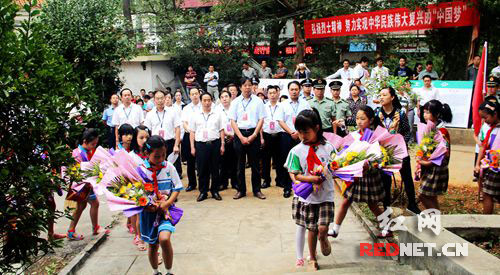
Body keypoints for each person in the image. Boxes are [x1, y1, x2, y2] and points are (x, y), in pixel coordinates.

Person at [284, 109, 335, 271]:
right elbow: (296, 174)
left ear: (317, 128)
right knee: (311, 228)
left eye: (306, 132)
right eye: (299, 132)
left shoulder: (328, 147)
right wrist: (312, 180)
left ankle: (324, 238)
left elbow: (337, 166)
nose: (303, 136)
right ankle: (312, 258)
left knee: (322, 228)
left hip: (326, 195)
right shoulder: (296, 151)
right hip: (308, 198)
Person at [329, 106, 387, 238]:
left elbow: (379, 158)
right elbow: (345, 152)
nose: (359, 121)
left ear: (371, 120)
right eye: (357, 118)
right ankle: (335, 229)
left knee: (372, 204)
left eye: (363, 118)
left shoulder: (375, 136)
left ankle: (387, 226)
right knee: (346, 201)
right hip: (355, 175)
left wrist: (369, 166)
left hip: (368, 176)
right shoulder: (354, 135)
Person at [138, 136, 182, 275]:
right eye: (157, 156)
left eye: (163, 155)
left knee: (164, 239)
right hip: (148, 214)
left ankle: (169, 271)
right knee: (152, 244)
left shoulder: (168, 167)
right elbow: (136, 195)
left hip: (165, 212)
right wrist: (147, 205)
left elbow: (177, 187)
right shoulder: (141, 170)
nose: (161, 158)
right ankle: (156, 272)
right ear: (146, 154)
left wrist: (168, 203)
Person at [376, 87, 420, 214]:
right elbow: (373, 132)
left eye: (384, 95)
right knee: (386, 179)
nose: (381, 97)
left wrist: (401, 143)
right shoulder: (377, 113)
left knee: (406, 177)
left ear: (392, 97)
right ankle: (386, 207)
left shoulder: (400, 113)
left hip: (400, 151)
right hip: (384, 152)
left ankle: (412, 204)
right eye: (380, 95)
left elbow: (407, 132)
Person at [229, 77, 267, 200]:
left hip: (253, 133)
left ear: (252, 87)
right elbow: (232, 121)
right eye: (244, 85)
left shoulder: (258, 101)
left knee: (255, 165)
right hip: (239, 134)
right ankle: (241, 190)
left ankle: (257, 190)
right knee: (239, 165)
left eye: (249, 85)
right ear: (240, 87)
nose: (247, 87)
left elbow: (261, 119)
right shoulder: (235, 102)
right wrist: (240, 137)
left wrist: (254, 135)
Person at [67, 129, 108, 240]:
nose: (94, 146)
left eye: (95, 144)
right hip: (82, 185)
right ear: (85, 141)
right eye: (92, 144)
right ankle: (94, 228)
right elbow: (76, 171)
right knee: (93, 204)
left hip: (86, 184)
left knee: (82, 206)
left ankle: (72, 230)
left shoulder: (83, 151)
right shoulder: (78, 153)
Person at [417, 100, 452, 210]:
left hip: (436, 167)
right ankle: (436, 221)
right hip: (430, 166)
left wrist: (428, 163)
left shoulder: (441, 131)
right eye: (424, 112)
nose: (425, 115)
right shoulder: (429, 128)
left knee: (423, 195)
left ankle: (436, 218)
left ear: (436, 114)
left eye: (428, 112)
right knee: (431, 196)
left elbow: (445, 153)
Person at [277, 81, 311, 195]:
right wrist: (291, 132)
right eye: (292, 89)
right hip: (287, 135)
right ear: (288, 90)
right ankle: (287, 187)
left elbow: (309, 118)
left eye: (296, 89)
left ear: (300, 90)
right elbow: (280, 121)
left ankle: (303, 185)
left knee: (303, 160)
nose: (294, 91)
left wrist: (299, 132)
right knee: (288, 161)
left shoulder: (305, 103)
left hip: (303, 136)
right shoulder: (283, 104)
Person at [189, 92, 225, 202]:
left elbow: (221, 130)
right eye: (204, 100)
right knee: (202, 169)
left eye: (209, 100)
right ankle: (203, 191)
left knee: (215, 168)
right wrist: (192, 147)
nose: (207, 102)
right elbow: (192, 132)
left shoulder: (217, 114)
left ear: (212, 101)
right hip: (201, 145)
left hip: (214, 143)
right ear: (201, 101)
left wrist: (222, 144)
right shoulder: (195, 115)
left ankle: (215, 190)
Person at [144, 91, 182, 175]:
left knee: (172, 168)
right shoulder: (150, 114)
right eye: (157, 98)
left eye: (162, 98)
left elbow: (177, 129)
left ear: (165, 99)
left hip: (170, 142)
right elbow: (147, 131)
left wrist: (176, 145)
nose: (160, 100)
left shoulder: (172, 112)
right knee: (157, 167)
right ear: (154, 100)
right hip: (155, 144)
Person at [261, 86, 288, 197]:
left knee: (279, 159)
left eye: (274, 93)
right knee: (266, 159)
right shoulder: (263, 106)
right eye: (270, 93)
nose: (272, 95)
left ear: (278, 94)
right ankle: (266, 180)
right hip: (267, 135)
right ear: (267, 94)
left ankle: (279, 179)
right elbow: (260, 122)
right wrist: (261, 137)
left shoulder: (282, 106)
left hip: (279, 135)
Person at [476, 101, 500, 214]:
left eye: (486, 117)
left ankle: (487, 224)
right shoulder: (491, 129)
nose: (484, 121)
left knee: (488, 194)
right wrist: (478, 163)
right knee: (487, 193)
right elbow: (484, 146)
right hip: (492, 166)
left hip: (496, 167)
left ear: (495, 114)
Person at [129, 125, 151, 251]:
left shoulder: (150, 153)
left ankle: (149, 235)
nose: (144, 140)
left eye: (146, 137)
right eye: (141, 137)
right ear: (135, 139)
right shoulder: (132, 156)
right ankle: (139, 237)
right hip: (137, 188)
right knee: (138, 215)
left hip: (150, 189)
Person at [181, 88, 201, 192]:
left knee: (203, 161)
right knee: (190, 162)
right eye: (192, 94)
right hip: (189, 136)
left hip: (202, 136)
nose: (194, 96)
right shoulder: (186, 108)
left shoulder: (204, 105)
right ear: (189, 96)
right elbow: (184, 123)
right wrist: (191, 130)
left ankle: (203, 183)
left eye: (196, 93)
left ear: (199, 94)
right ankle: (192, 183)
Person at [217, 90, 238, 190]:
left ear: (230, 98)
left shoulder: (235, 108)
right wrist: (227, 134)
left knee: (235, 162)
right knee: (222, 162)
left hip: (235, 138)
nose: (224, 99)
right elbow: (217, 126)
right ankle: (223, 183)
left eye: (226, 96)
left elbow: (238, 123)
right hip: (223, 138)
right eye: (222, 97)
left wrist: (233, 135)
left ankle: (235, 182)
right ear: (220, 99)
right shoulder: (217, 110)